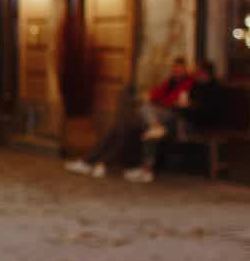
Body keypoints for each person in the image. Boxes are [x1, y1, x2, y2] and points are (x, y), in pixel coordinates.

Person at [64, 56, 195, 182]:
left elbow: (173, 102)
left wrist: (159, 101)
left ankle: (98, 162)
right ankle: (90, 161)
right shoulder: (169, 82)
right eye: (175, 69)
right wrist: (155, 99)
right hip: (153, 117)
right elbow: (154, 95)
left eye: (179, 69)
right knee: (120, 127)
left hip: (167, 119)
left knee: (136, 123)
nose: (176, 72)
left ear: (185, 70)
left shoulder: (188, 84)